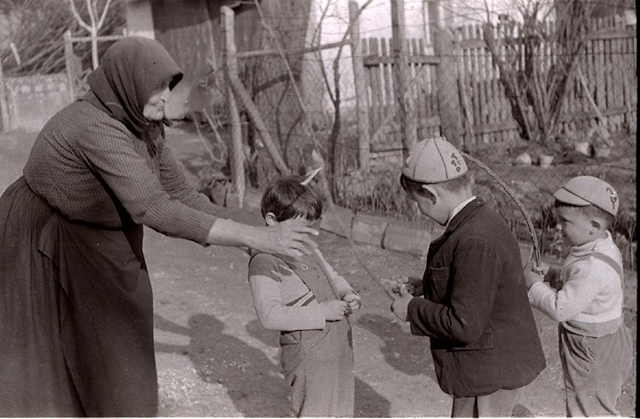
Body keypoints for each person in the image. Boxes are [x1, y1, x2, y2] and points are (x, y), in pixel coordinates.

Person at [0, 36, 318, 417]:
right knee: (51, 357)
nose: (166, 97)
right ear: (126, 81)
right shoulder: (94, 126)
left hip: (101, 232)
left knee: (122, 341)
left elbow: (181, 193)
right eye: (157, 87)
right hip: (42, 233)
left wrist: (252, 241)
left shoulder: (142, 123)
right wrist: (256, 235)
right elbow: (153, 207)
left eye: (169, 86)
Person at [390, 136, 546, 417]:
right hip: (485, 365)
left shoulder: (473, 239)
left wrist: (412, 309)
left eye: (416, 202)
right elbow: (474, 284)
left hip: (489, 372)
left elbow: (464, 324)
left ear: (431, 194)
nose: (419, 210)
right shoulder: (480, 219)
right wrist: (426, 286)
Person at [247, 175, 362, 417]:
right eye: (301, 228)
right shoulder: (264, 261)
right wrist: (323, 311)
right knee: (314, 410)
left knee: (339, 409)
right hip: (308, 354)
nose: (309, 235)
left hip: (336, 346)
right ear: (272, 221)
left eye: (312, 227)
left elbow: (333, 277)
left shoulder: (307, 247)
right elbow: (269, 316)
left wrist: (348, 292)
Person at [523, 176, 632, 416]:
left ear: (593, 226)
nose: (557, 227)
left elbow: (560, 308)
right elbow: (581, 286)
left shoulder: (593, 266)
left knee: (587, 408)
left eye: (564, 221)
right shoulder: (599, 245)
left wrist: (533, 287)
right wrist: (552, 275)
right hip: (604, 340)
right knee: (593, 403)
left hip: (592, 348)